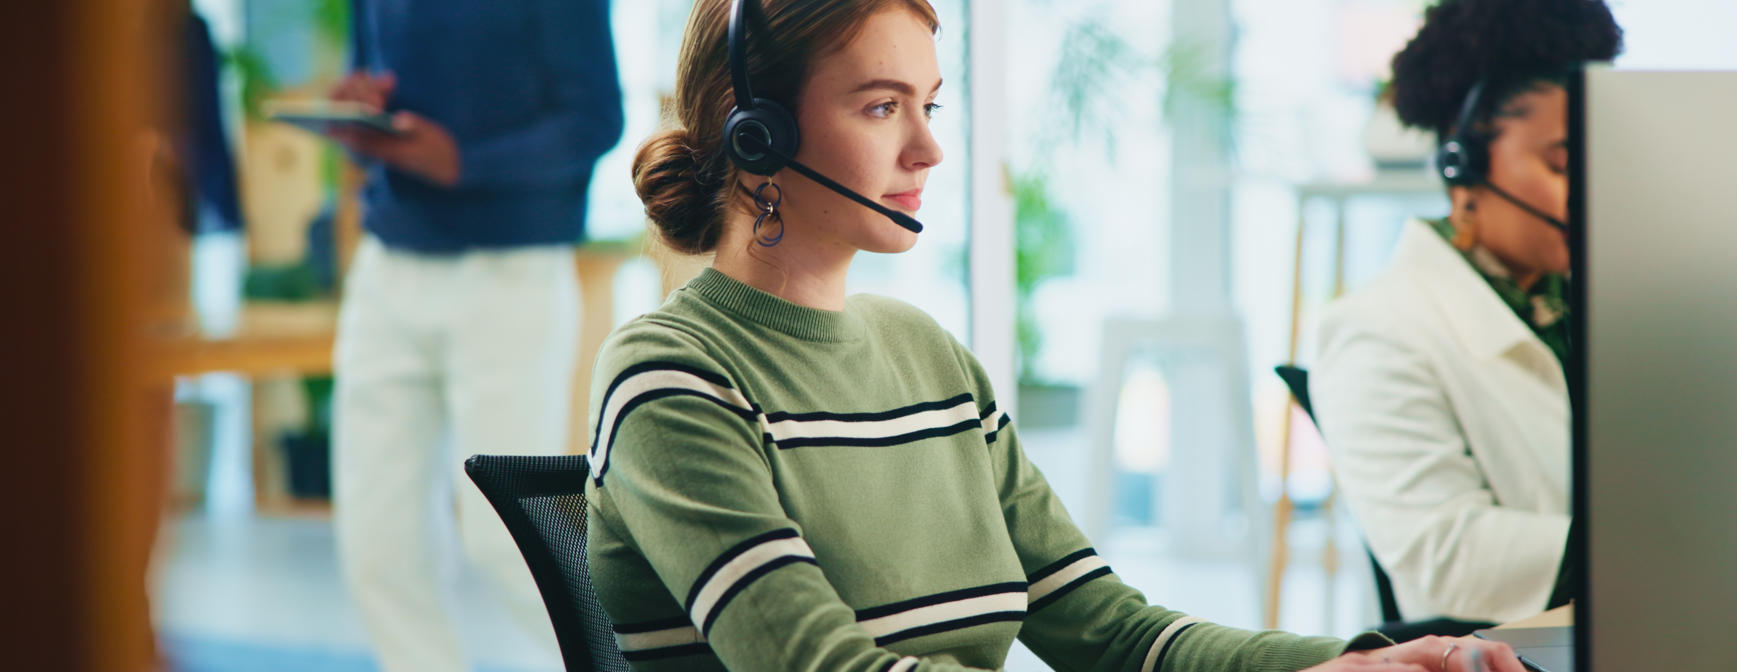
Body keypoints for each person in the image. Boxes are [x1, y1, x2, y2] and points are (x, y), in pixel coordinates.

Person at [585, 0, 1527, 670]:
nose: (928, 148)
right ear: (756, 133)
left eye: (931, 103)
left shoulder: (931, 359)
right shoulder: (669, 374)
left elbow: (1111, 633)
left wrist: (1347, 665)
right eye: (881, 106)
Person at [322, 0, 623, 669]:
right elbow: (369, 71)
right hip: (388, 262)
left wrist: (462, 162)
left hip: (510, 270)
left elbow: (595, 120)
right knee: (377, 544)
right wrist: (358, 109)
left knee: (508, 541)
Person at [1309, 0, 1623, 625]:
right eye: (1562, 163)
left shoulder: (1602, 298)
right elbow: (1446, 560)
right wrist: (1654, 545)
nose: (1595, 181)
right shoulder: (1378, 333)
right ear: (1463, 167)